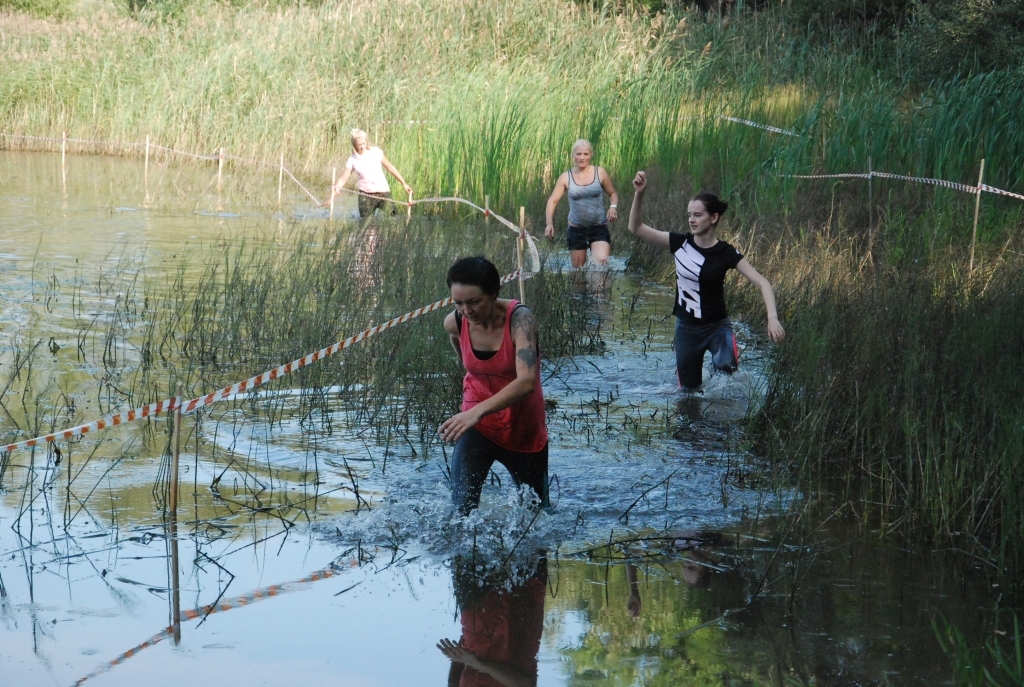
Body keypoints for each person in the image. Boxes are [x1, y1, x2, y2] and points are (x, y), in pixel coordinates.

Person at [628, 171, 785, 391]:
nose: (692, 219)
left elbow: (763, 283)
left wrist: (773, 318)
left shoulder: (726, 252)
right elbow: (636, 228)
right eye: (689, 215)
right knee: (688, 393)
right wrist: (639, 195)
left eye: (698, 215)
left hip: (717, 328)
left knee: (726, 375)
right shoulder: (679, 243)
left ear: (713, 217)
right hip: (687, 330)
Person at [439, 257, 548, 515]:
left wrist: (476, 411)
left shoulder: (520, 320)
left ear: (494, 293)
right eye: (459, 303)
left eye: (474, 301)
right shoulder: (454, 322)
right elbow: (468, 364)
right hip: (475, 426)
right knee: (461, 510)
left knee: (536, 513)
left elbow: (526, 381)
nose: (467, 310)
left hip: (522, 428)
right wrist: (472, 407)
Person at [437, 554, 547, 687]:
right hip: (521, 613)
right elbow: (525, 683)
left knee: (467, 544)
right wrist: (477, 662)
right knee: (530, 542)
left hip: (476, 616)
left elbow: (454, 677)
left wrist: (461, 650)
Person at [544, 139, 619, 268]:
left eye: (585, 154)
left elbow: (613, 193)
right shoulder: (565, 177)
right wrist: (549, 224)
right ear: (573, 155)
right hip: (576, 229)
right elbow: (552, 201)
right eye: (578, 154)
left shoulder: (600, 172)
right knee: (578, 273)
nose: (582, 158)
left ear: (591, 155)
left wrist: (613, 207)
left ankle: (598, 287)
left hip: (599, 227)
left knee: (600, 263)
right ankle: (583, 287)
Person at [331, 128, 412, 217]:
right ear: (354, 145)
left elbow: (390, 167)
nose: (362, 146)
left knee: (393, 219)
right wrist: (331, 197)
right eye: (359, 145)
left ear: (366, 141)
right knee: (366, 224)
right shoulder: (352, 159)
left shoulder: (376, 152)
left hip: (383, 193)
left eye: (363, 143)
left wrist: (404, 183)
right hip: (365, 195)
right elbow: (343, 179)